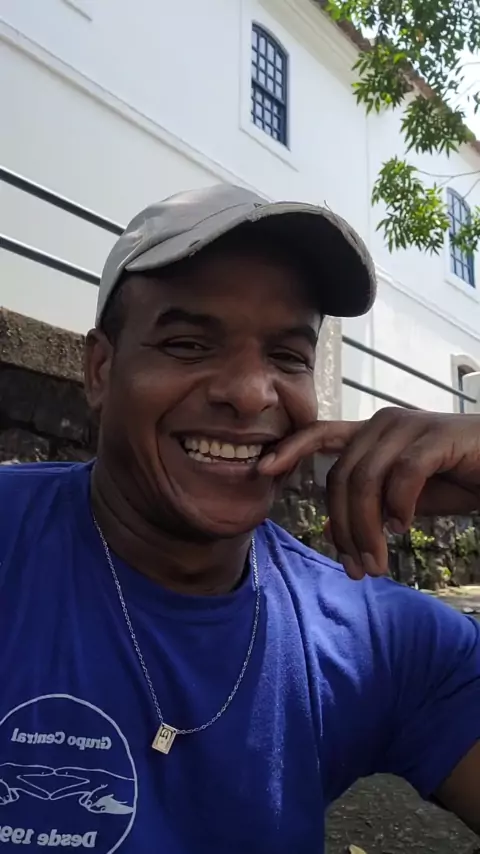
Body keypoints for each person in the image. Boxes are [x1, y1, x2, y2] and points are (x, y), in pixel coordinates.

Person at [0, 184, 478, 852]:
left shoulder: (377, 639)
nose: (251, 394)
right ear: (101, 370)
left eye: (288, 357)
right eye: (189, 344)